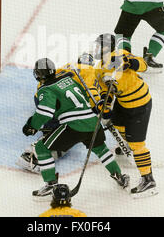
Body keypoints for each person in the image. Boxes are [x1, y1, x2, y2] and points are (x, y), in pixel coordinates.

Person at [22, 57, 129, 199]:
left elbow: (44, 113)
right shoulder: (69, 80)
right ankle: (119, 176)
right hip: (92, 122)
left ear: (38, 74)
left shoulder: (45, 89)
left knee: (41, 148)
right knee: (101, 149)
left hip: (73, 126)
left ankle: (50, 185)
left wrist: (31, 126)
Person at [94, 33, 158, 198]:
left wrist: (132, 62)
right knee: (116, 124)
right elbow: (105, 91)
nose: (96, 48)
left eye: (99, 45)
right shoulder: (100, 68)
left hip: (140, 104)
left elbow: (144, 65)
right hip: (123, 104)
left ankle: (148, 179)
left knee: (138, 144)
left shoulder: (120, 56)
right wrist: (106, 105)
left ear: (107, 47)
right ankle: (128, 146)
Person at [17, 53, 99, 173]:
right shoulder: (91, 71)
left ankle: (43, 141)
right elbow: (91, 91)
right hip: (62, 103)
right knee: (71, 132)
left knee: (58, 122)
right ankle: (42, 154)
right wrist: (95, 108)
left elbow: (51, 76)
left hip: (41, 95)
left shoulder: (69, 66)